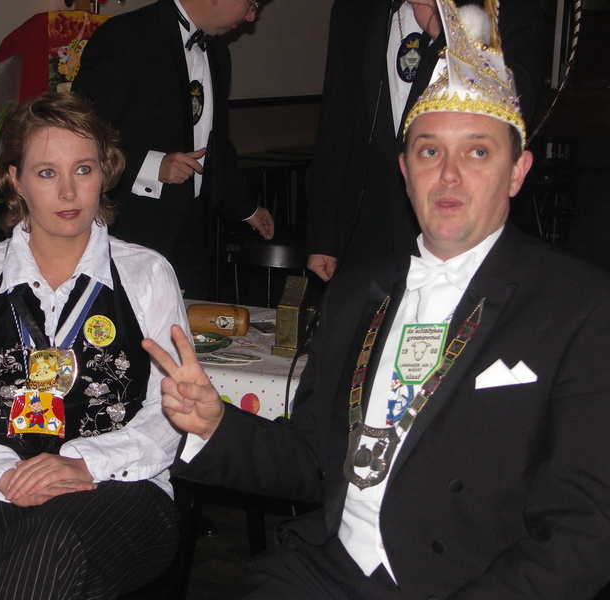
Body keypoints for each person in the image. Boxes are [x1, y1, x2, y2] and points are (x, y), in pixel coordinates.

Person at [143, 2, 610, 597]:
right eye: (429, 151)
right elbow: (315, 461)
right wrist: (216, 426)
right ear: (404, 169)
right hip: (328, 573)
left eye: (477, 152)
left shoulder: (578, 307)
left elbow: (584, 531)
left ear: (517, 171)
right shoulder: (358, 293)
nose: (448, 175)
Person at [0, 91, 190, 599]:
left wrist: (87, 462)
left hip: (120, 490)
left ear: (104, 173)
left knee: (49, 549)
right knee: (41, 564)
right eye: (46, 173)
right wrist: (5, 473)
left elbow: (173, 411)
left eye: (83, 169)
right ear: (15, 180)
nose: (68, 191)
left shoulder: (147, 274)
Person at [305, 0, 546, 282]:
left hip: (460, 238)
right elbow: (336, 122)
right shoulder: (355, 8)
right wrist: (323, 235)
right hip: (362, 236)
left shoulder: (507, 10)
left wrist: (446, 35)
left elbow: (515, 117)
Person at [73, 0, 274, 299]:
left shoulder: (217, 51)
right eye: (251, 3)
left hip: (195, 234)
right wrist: (153, 166)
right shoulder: (126, 35)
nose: (251, 16)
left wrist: (246, 208)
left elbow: (215, 143)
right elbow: (83, 132)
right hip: (132, 230)